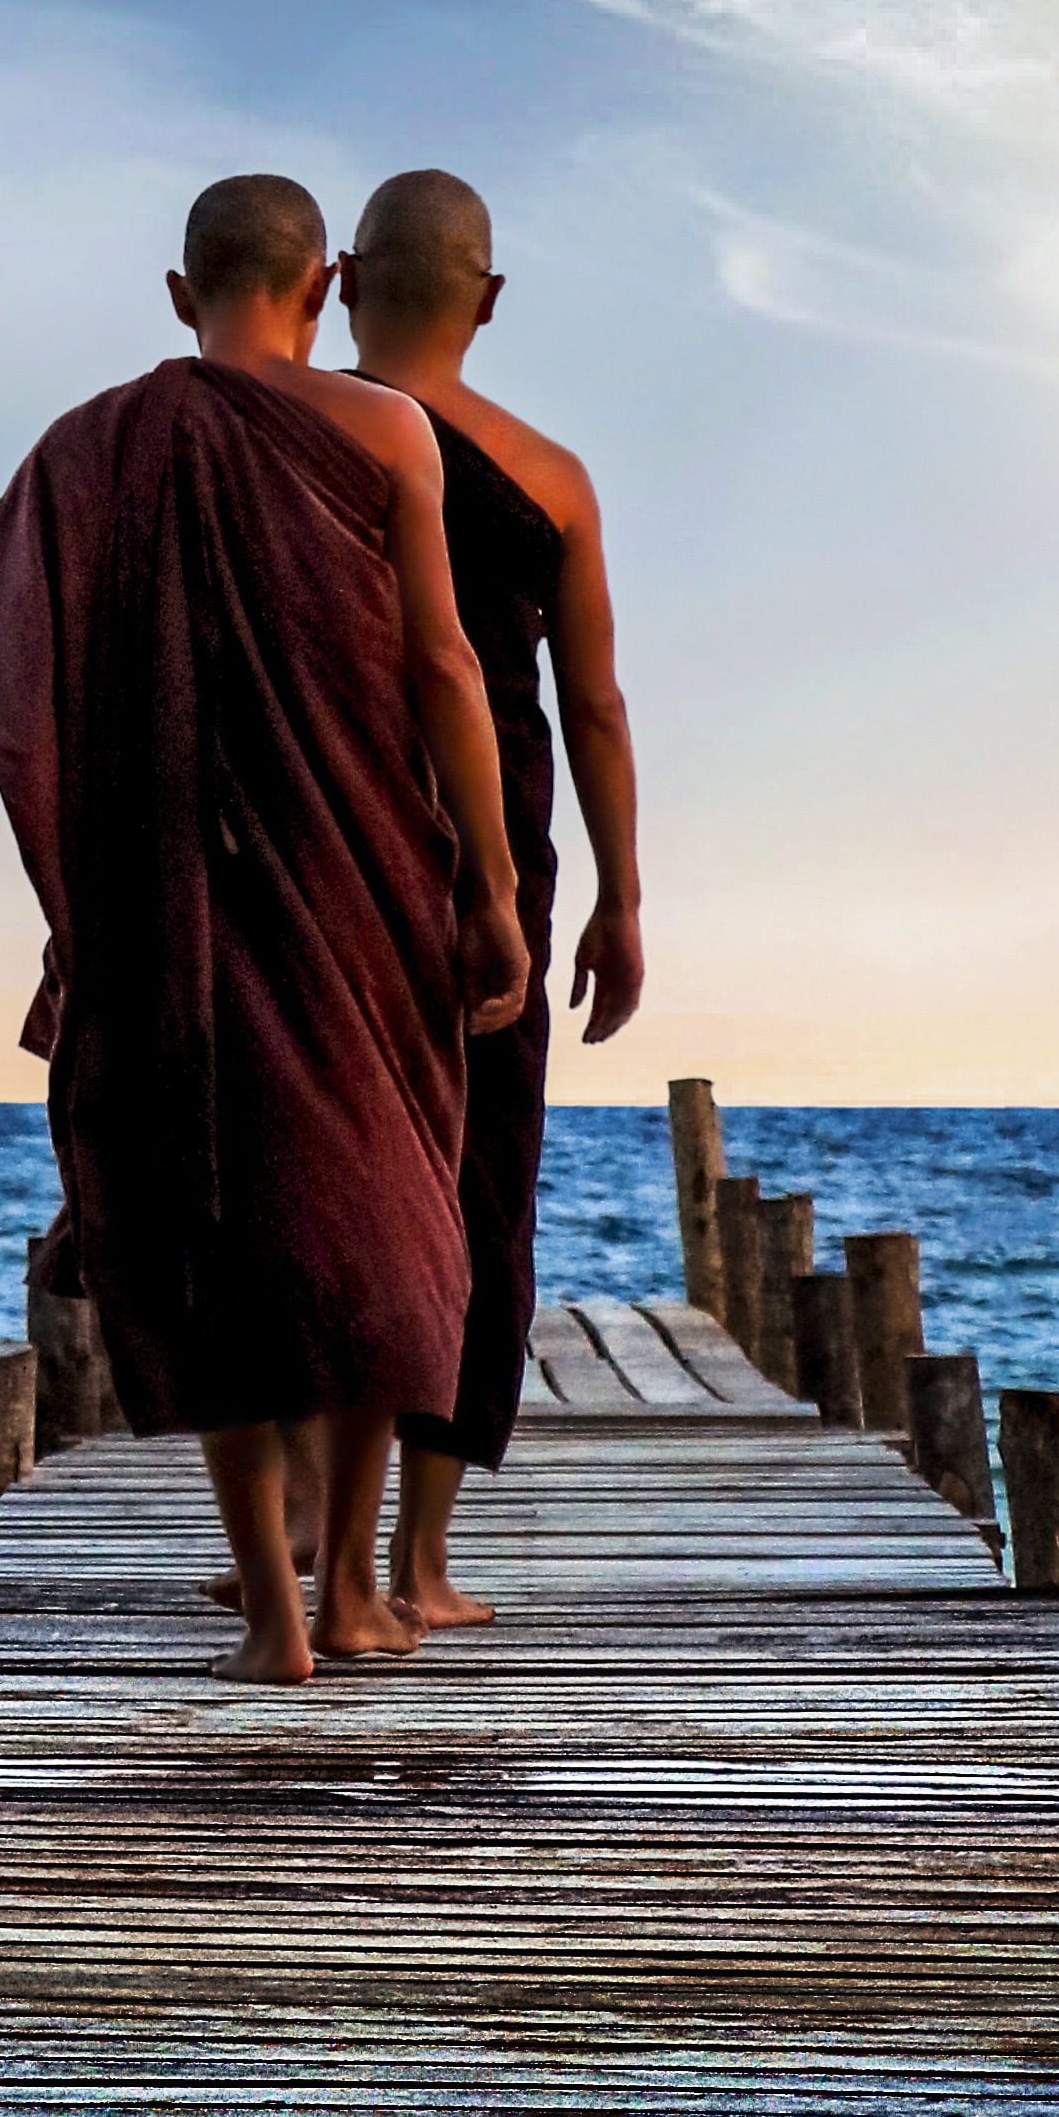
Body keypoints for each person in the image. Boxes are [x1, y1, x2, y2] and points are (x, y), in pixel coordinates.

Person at [0, 173, 534, 1683]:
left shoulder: (89, 446)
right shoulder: (384, 429)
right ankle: (358, 1599)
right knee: (395, 1226)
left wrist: (87, 904)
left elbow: (15, 695)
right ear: (323, 282)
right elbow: (447, 669)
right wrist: (497, 882)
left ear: (181, 291)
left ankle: (274, 1613)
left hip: (169, 895)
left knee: (217, 1228)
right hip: (366, 876)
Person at [334, 164, 644, 1636]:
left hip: (318, 840)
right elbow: (590, 705)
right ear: (490, 297)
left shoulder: (293, 438)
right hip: (492, 860)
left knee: (316, 1174)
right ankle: (420, 1561)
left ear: (341, 277)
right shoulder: (554, 479)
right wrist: (622, 899)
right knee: (479, 1190)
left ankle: (287, 1541)